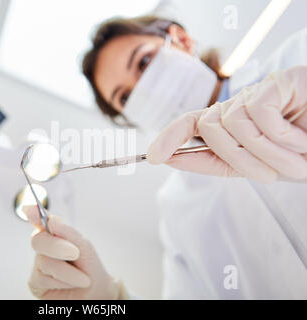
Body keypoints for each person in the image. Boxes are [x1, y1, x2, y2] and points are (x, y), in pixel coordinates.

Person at [26, 16, 307, 299]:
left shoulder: (296, 62)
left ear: (182, 40)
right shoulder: (177, 207)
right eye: (125, 97)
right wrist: (106, 297)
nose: (142, 91)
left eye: (143, 62)